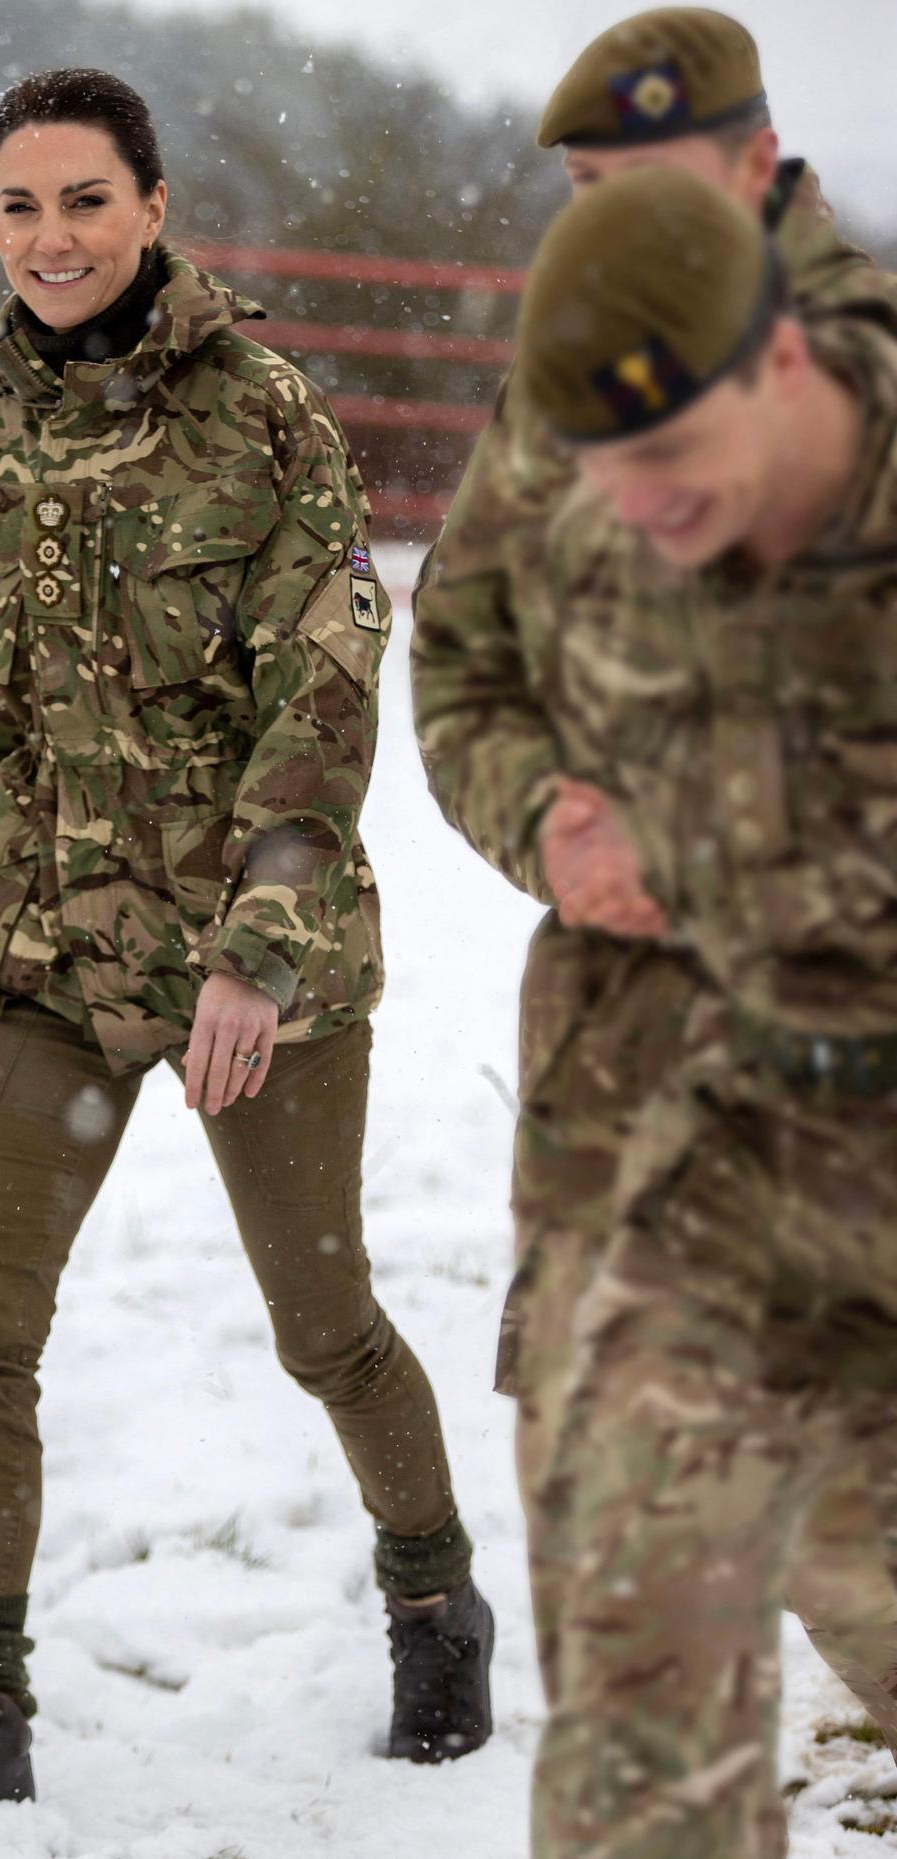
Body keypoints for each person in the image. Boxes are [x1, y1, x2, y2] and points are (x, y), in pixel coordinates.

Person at [0, 67, 491, 1835]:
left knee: (324, 1326)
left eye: (85, 201)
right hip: (40, 956)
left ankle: (434, 1597)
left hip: (253, 972)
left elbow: (321, 706)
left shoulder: (268, 420)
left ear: (153, 206)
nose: (52, 239)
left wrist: (251, 960)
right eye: (20, 207)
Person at [411, 2, 897, 1772]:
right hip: (619, 1066)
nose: (603, 223)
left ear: (761, 165)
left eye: (645, 181)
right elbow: (457, 652)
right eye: (583, 189)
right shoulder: (581, 355)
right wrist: (544, 817)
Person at [509, 160, 897, 1859]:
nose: (630, 505)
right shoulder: (618, 529)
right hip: (742, 1145)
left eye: (667, 454)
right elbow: (477, 666)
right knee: (640, 1671)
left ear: (792, 363)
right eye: (597, 464)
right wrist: (552, 810)